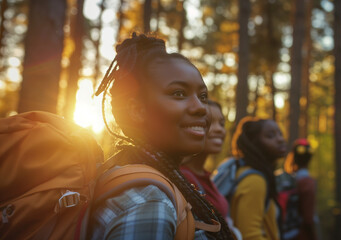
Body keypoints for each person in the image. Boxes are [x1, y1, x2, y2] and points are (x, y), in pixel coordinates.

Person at [89, 33, 233, 239]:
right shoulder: (149, 201)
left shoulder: (147, 180)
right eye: (179, 93)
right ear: (136, 109)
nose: (201, 108)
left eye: (202, 96)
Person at [229, 116, 287, 240]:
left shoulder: (254, 175)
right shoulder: (254, 180)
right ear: (254, 144)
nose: (281, 139)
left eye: (280, 134)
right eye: (270, 136)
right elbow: (250, 236)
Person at [180, 100, 229, 218]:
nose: (219, 129)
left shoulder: (206, 176)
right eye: (208, 122)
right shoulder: (183, 179)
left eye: (222, 124)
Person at [283, 139, 318, 240]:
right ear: (310, 158)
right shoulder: (307, 183)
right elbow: (308, 219)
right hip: (301, 235)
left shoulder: (286, 179)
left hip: (284, 233)